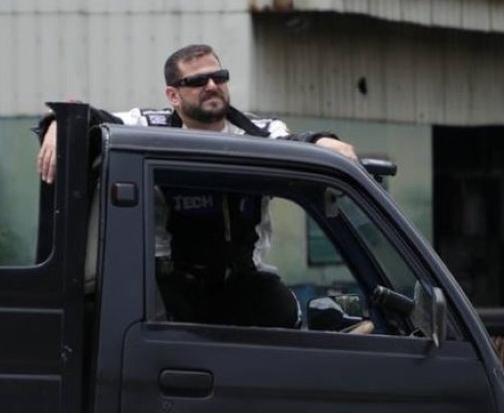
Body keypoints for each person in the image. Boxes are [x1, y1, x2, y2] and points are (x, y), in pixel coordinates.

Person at [35, 44, 357, 328]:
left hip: (244, 281)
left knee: (291, 325)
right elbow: (91, 118)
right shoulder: (148, 126)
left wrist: (322, 141)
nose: (212, 86)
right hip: (173, 284)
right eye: (197, 81)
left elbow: (293, 143)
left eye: (219, 77)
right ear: (173, 95)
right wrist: (58, 126)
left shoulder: (258, 132)